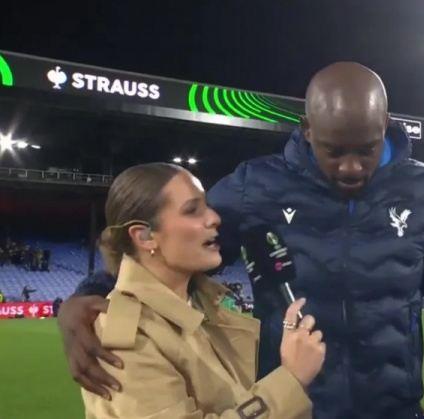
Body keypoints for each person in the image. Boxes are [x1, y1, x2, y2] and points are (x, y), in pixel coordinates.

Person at [59, 62, 424, 418]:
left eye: (366, 149)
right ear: (307, 129)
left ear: (385, 125)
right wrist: (87, 297)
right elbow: (168, 250)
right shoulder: (257, 187)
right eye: (334, 151)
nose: (351, 167)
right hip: (291, 408)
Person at [78, 162, 323, 418]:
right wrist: (291, 379)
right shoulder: (126, 337)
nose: (214, 218)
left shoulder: (202, 303)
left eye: (207, 206)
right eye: (192, 210)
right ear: (145, 237)